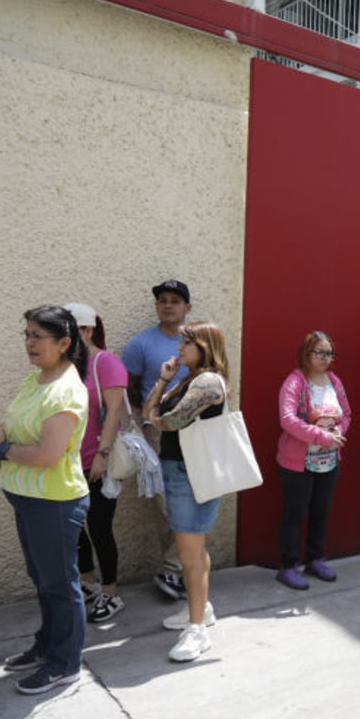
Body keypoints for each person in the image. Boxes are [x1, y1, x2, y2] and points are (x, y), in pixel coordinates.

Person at [0, 306, 90, 694]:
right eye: (26, 334)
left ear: (64, 344)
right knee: (44, 578)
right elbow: (12, 419)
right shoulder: (37, 379)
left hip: (54, 501)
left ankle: (66, 663)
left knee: (61, 583)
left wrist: (3, 450)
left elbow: (47, 456)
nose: (29, 343)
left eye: (37, 337)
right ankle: (47, 645)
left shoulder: (65, 391)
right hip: (28, 497)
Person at [144, 321, 231, 662]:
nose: (179, 349)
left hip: (190, 473)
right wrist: (165, 378)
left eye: (186, 343)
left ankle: (197, 630)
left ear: (205, 346)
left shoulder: (208, 382)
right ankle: (201, 609)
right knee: (194, 548)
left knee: (189, 554)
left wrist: (155, 416)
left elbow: (169, 420)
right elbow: (152, 410)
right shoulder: (190, 378)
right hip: (182, 470)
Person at [122, 279, 191, 602]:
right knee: (165, 502)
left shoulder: (198, 341)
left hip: (196, 432)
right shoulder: (141, 344)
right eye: (162, 300)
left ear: (187, 308)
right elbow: (131, 388)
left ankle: (175, 567)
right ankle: (175, 568)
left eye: (175, 300)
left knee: (194, 499)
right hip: (158, 433)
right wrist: (146, 422)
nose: (168, 305)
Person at [66, 302, 128, 624]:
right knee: (74, 528)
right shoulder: (66, 366)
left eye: (68, 330)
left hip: (98, 462)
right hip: (67, 463)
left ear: (87, 330)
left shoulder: (106, 362)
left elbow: (114, 411)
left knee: (100, 528)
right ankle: (88, 583)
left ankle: (111, 592)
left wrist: (102, 456)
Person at [275, 330, 352, 590]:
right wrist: (321, 436)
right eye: (320, 352)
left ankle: (315, 559)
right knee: (295, 513)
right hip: (298, 461)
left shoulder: (334, 381)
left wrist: (340, 431)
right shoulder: (295, 382)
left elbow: (347, 414)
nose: (326, 358)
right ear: (306, 354)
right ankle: (289, 565)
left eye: (329, 353)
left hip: (329, 460)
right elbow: (287, 420)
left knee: (321, 511)